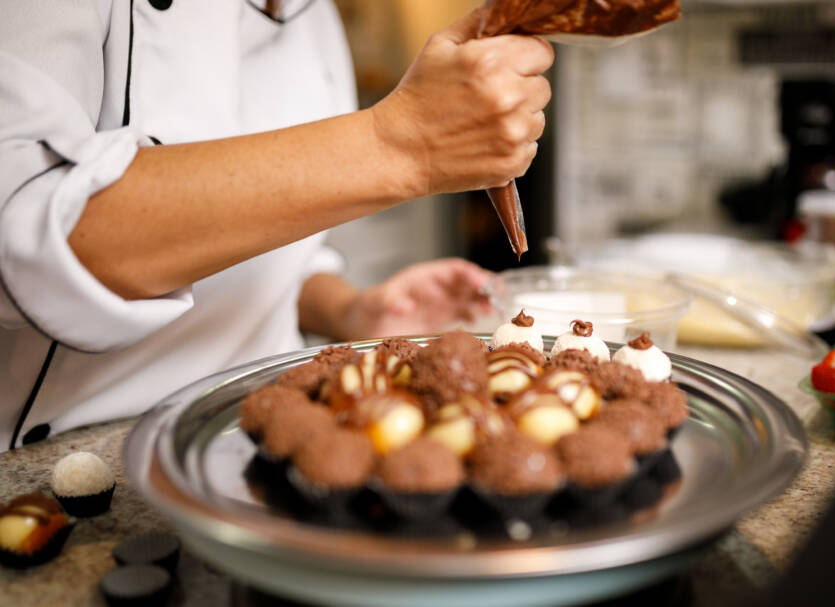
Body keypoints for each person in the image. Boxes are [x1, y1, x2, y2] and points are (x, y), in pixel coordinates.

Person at [0, 0, 554, 450]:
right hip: (74, 458)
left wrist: (349, 310)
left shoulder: (314, 17)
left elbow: (267, 250)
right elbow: (23, 231)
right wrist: (400, 144)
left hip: (260, 426)